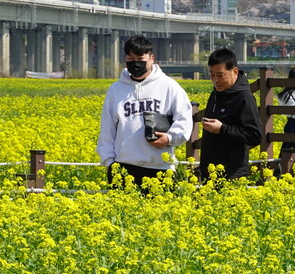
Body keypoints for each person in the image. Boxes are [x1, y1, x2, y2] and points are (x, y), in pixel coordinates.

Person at [97, 35, 194, 185]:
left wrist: (169, 138)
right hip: (123, 168)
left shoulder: (169, 86)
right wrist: (109, 162)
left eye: (140, 59)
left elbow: (184, 120)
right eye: (131, 59)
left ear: (151, 58)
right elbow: (107, 129)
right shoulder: (115, 90)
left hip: (161, 167)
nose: (136, 64)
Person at [200, 48, 264, 180]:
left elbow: (255, 135)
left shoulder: (244, 97)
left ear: (234, 71)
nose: (215, 80)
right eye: (212, 75)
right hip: (210, 173)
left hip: (232, 173)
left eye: (220, 75)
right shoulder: (215, 95)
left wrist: (222, 129)